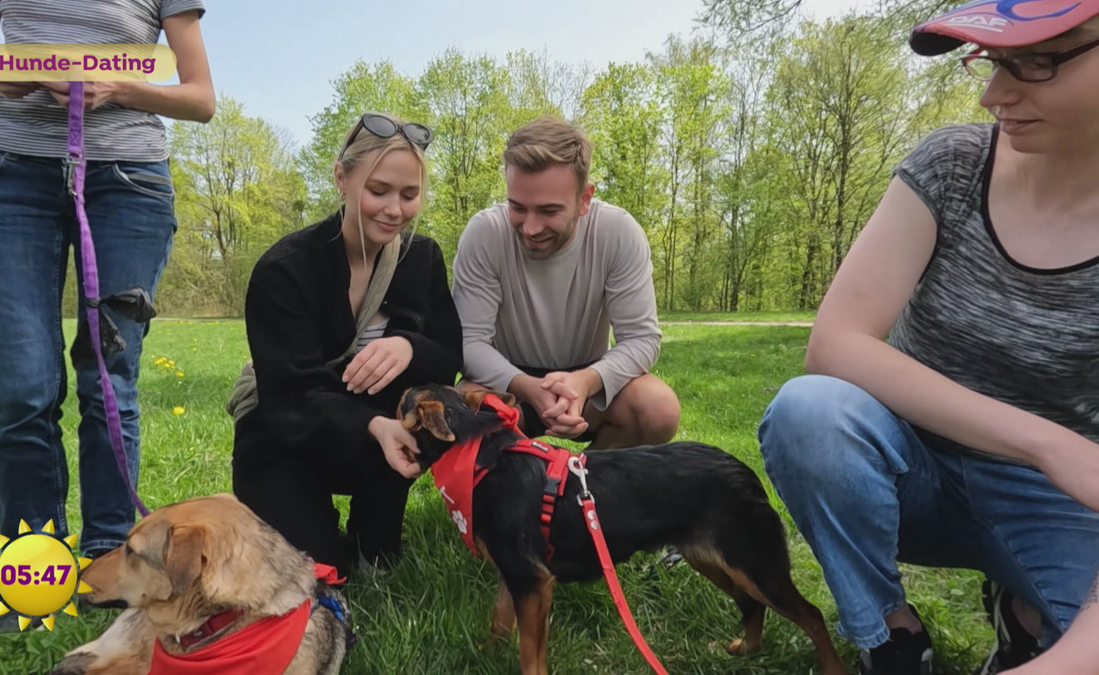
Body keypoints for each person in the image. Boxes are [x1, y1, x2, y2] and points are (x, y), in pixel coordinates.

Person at [756, 1, 1099, 673]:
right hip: (911, 465)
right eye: (995, 62)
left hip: (1056, 503)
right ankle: (891, 636)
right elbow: (836, 343)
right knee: (811, 412)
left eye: (1037, 63)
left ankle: (1026, 621)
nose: (992, 94)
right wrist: (1051, 443)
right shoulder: (953, 164)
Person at [0, 0, 214, 604]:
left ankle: (108, 568)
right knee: (23, 387)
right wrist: (3, 73)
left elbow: (200, 98)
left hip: (128, 182)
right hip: (6, 178)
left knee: (109, 380)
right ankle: (32, 577)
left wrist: (120, 88)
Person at [228, 113, 462, 579]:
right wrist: (373, 425)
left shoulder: (422, 258)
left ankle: (373, 537)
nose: (394, 209)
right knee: (314, 573)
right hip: (283, 435)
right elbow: (289, 398)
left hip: (379, 442)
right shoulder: (285, 268)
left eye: (409, 195)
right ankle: (311, 526)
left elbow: (450, 355)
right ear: (342, 178)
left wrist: (409, 347)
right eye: (378, 191)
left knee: (376, 565)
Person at [452, 116, 680, 449]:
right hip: (505, 382)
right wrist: (530, 388)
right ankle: (503, 494)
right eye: (518, 207)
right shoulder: (485, 234)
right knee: (460, 410)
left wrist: (585, 382)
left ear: (584, 199)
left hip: (590, 380)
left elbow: (642, 339)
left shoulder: (617, 232)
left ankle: (585, 488)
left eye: (548, 211)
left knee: (657, 408)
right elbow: (469, 343)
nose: (530, 227)